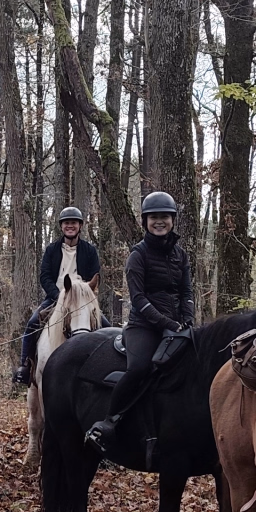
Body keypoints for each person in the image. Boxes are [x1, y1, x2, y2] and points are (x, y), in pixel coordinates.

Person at [84, 192, 192, 451]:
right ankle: (109, 422)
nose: (159, 222)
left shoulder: (181, 255)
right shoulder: (138, 255)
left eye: (164, 217)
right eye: (154, 217)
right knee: (140, 368)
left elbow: (187, 292)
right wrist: (165, 322)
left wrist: (187, 319)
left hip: (177, 325)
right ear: (145, 221)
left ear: (172, 220)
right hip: (143, 326)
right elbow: (140, 299)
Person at [14, 206, 101, 385]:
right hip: (56, 297)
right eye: (67, 223)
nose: (70, 226)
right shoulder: (52, 250)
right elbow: (45, 276)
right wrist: (58, 295)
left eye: (74, 223)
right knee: (32, 324)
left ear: (80, 226)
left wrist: (83, 294)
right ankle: (25, 366)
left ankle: (103, 366)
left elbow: (95, 275)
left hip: (82, 299)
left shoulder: (90, 251)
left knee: (104, 326)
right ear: (62, 226)